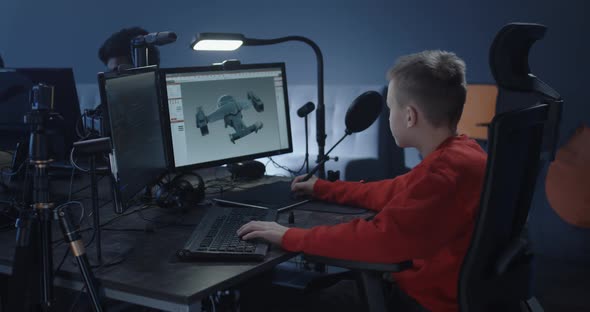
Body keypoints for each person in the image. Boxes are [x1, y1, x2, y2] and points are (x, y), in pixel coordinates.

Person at [237, 50, 488, 312]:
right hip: (439, 287)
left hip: (420, 301)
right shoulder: (463, 153)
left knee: (270, 301)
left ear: (410, 116)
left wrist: (290, 236)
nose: (388, 117)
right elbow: (393, 190)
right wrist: (322, 188)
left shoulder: (442, 176)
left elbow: (377, 239)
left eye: (391, 109)